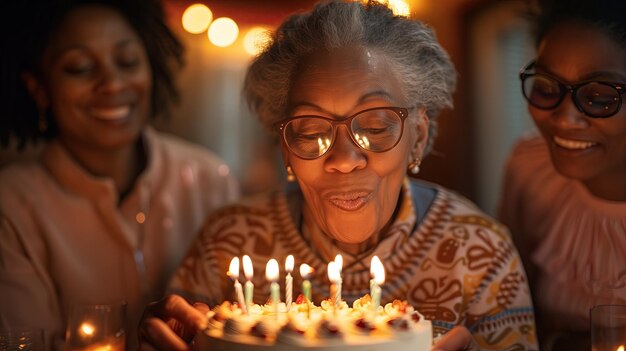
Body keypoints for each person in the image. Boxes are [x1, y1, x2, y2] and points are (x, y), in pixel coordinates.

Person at [139, 1, 538, 350]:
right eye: (311, 132)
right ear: (286, 149)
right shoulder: (227, 241)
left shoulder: (481, 252)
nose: (344, 159)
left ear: (417, 136)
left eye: (377, 126)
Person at [0, 0, 239, 349]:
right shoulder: (12, 205)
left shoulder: (209, 180)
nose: (112, 84)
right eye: (80, 68)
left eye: (127, 62)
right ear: (39, 88)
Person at [498, 0, 626, 350]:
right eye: (547, 88)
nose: (564, 119)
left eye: (599, 96)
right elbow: (509, 302)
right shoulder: (530, 168)